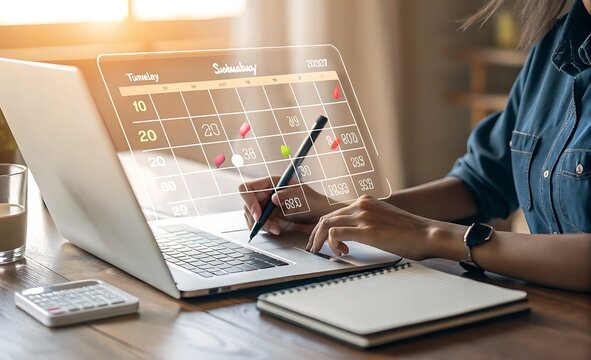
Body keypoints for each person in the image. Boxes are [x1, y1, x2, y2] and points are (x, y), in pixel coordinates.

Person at [240, 0, 591, 292]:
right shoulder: (555, 44)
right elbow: (482, 182)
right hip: (548, 315)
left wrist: (431, 235)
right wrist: (339, 212)